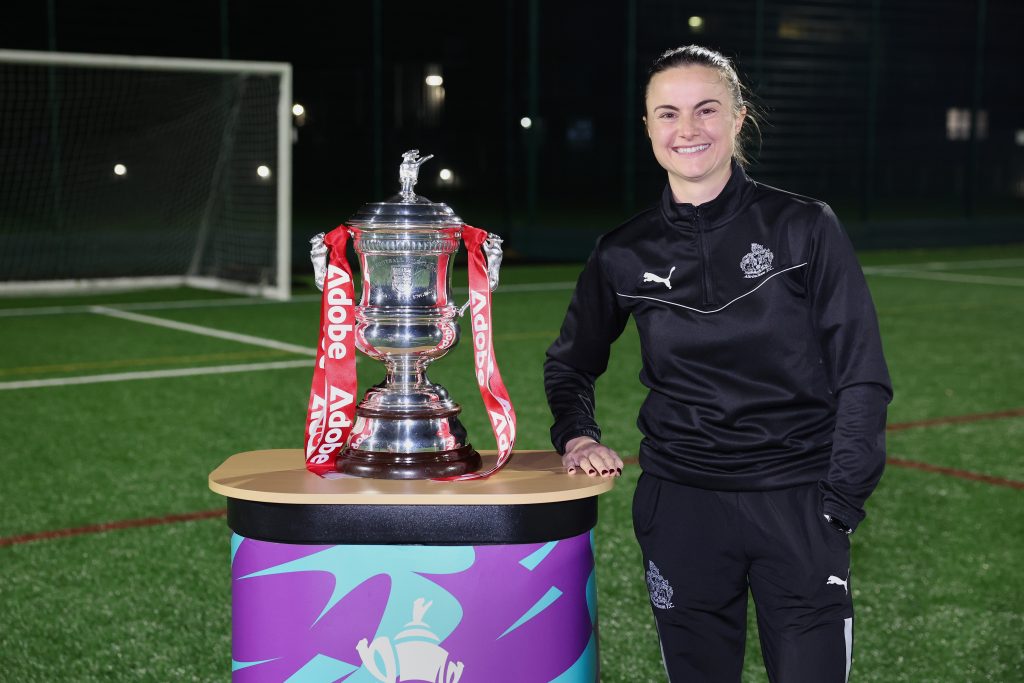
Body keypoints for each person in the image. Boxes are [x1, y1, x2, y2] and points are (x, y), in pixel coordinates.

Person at [544, 45, 891, 682]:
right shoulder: (624, 251)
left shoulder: (804, 227)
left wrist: (841, 497)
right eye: (668, 114)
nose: (688, 129)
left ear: (738, 117)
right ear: (648, 129)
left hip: (799, 501)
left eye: (706, 110)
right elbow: (570, 363)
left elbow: (861, 370)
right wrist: (577, 433)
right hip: (681, 507)